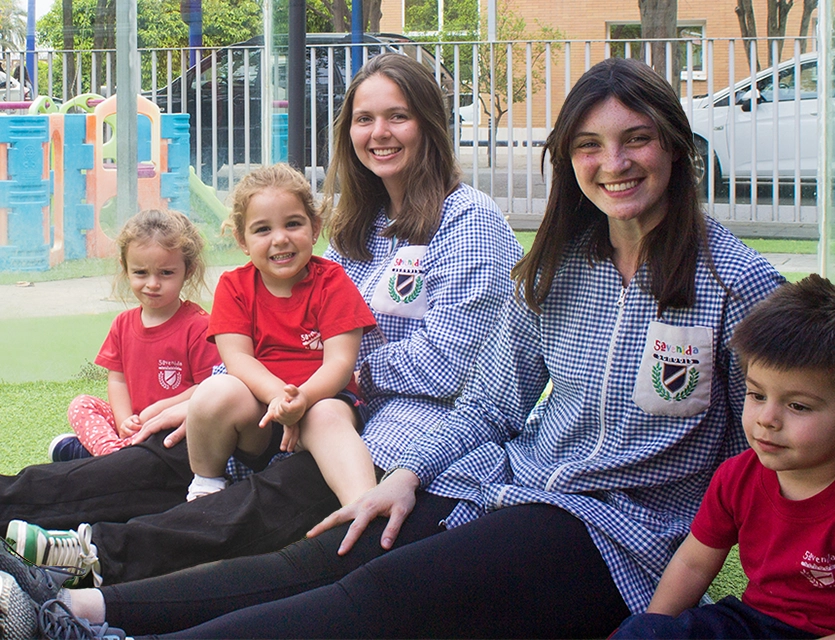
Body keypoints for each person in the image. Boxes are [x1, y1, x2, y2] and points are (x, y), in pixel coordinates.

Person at [3, 56, 785, 639]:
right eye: (590, 145)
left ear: (676, 146)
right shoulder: (546, 268)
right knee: (179, 452)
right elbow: (491, 401)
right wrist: (257, 383)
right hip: (481, 476)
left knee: (348, 578)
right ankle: (57, 581)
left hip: (573, 514)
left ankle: (81, 597)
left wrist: (324, 377)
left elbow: (451, 372)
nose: (613, 164)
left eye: (636, 140)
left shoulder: (735, 286)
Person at [0, 51, 521, 587]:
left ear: (430, 124)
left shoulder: (468, 222)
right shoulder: (355, 230)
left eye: (398, 116)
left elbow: (451, 365)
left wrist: (321, 385)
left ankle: (95, 560)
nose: (379, 133)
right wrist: (195, 398)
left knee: (268, 498)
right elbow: (275, 334)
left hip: (388, 424)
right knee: (167, 449)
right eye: (365, 119)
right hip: (287, 395)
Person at [611, 275, 835, 640]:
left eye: (798, 405)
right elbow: (693, 563)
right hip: (750, 622)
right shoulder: (737, 476)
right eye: (756, 395)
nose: (767, 418)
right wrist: (658, 627)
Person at [185, 164, 377, 506]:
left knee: (327, 416)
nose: (280, 239)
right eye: (262, 229)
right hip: (259, 411)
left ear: (315, 227)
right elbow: (238, 359)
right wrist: (279, 398)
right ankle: (206, 482)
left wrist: (301, 400)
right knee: (215, 391)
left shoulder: (333, 282)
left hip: (322, 399)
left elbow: (341, 362)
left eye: (293, 223)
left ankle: (362, 507)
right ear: (242, 241)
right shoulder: (234, 287)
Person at [47, 209, 220, 463]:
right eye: (140, 273)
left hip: (172, 428)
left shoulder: (198, 326)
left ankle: (96, 458)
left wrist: (161, 410)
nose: (152, 283)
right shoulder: (122, 324)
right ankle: (115, 456)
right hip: (132, 425)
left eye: (166, 273)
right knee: (82, 404)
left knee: (177, 435)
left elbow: (208, 388)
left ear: (189, 270)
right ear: (125, 268)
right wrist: (123, 419)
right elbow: (117, 381)